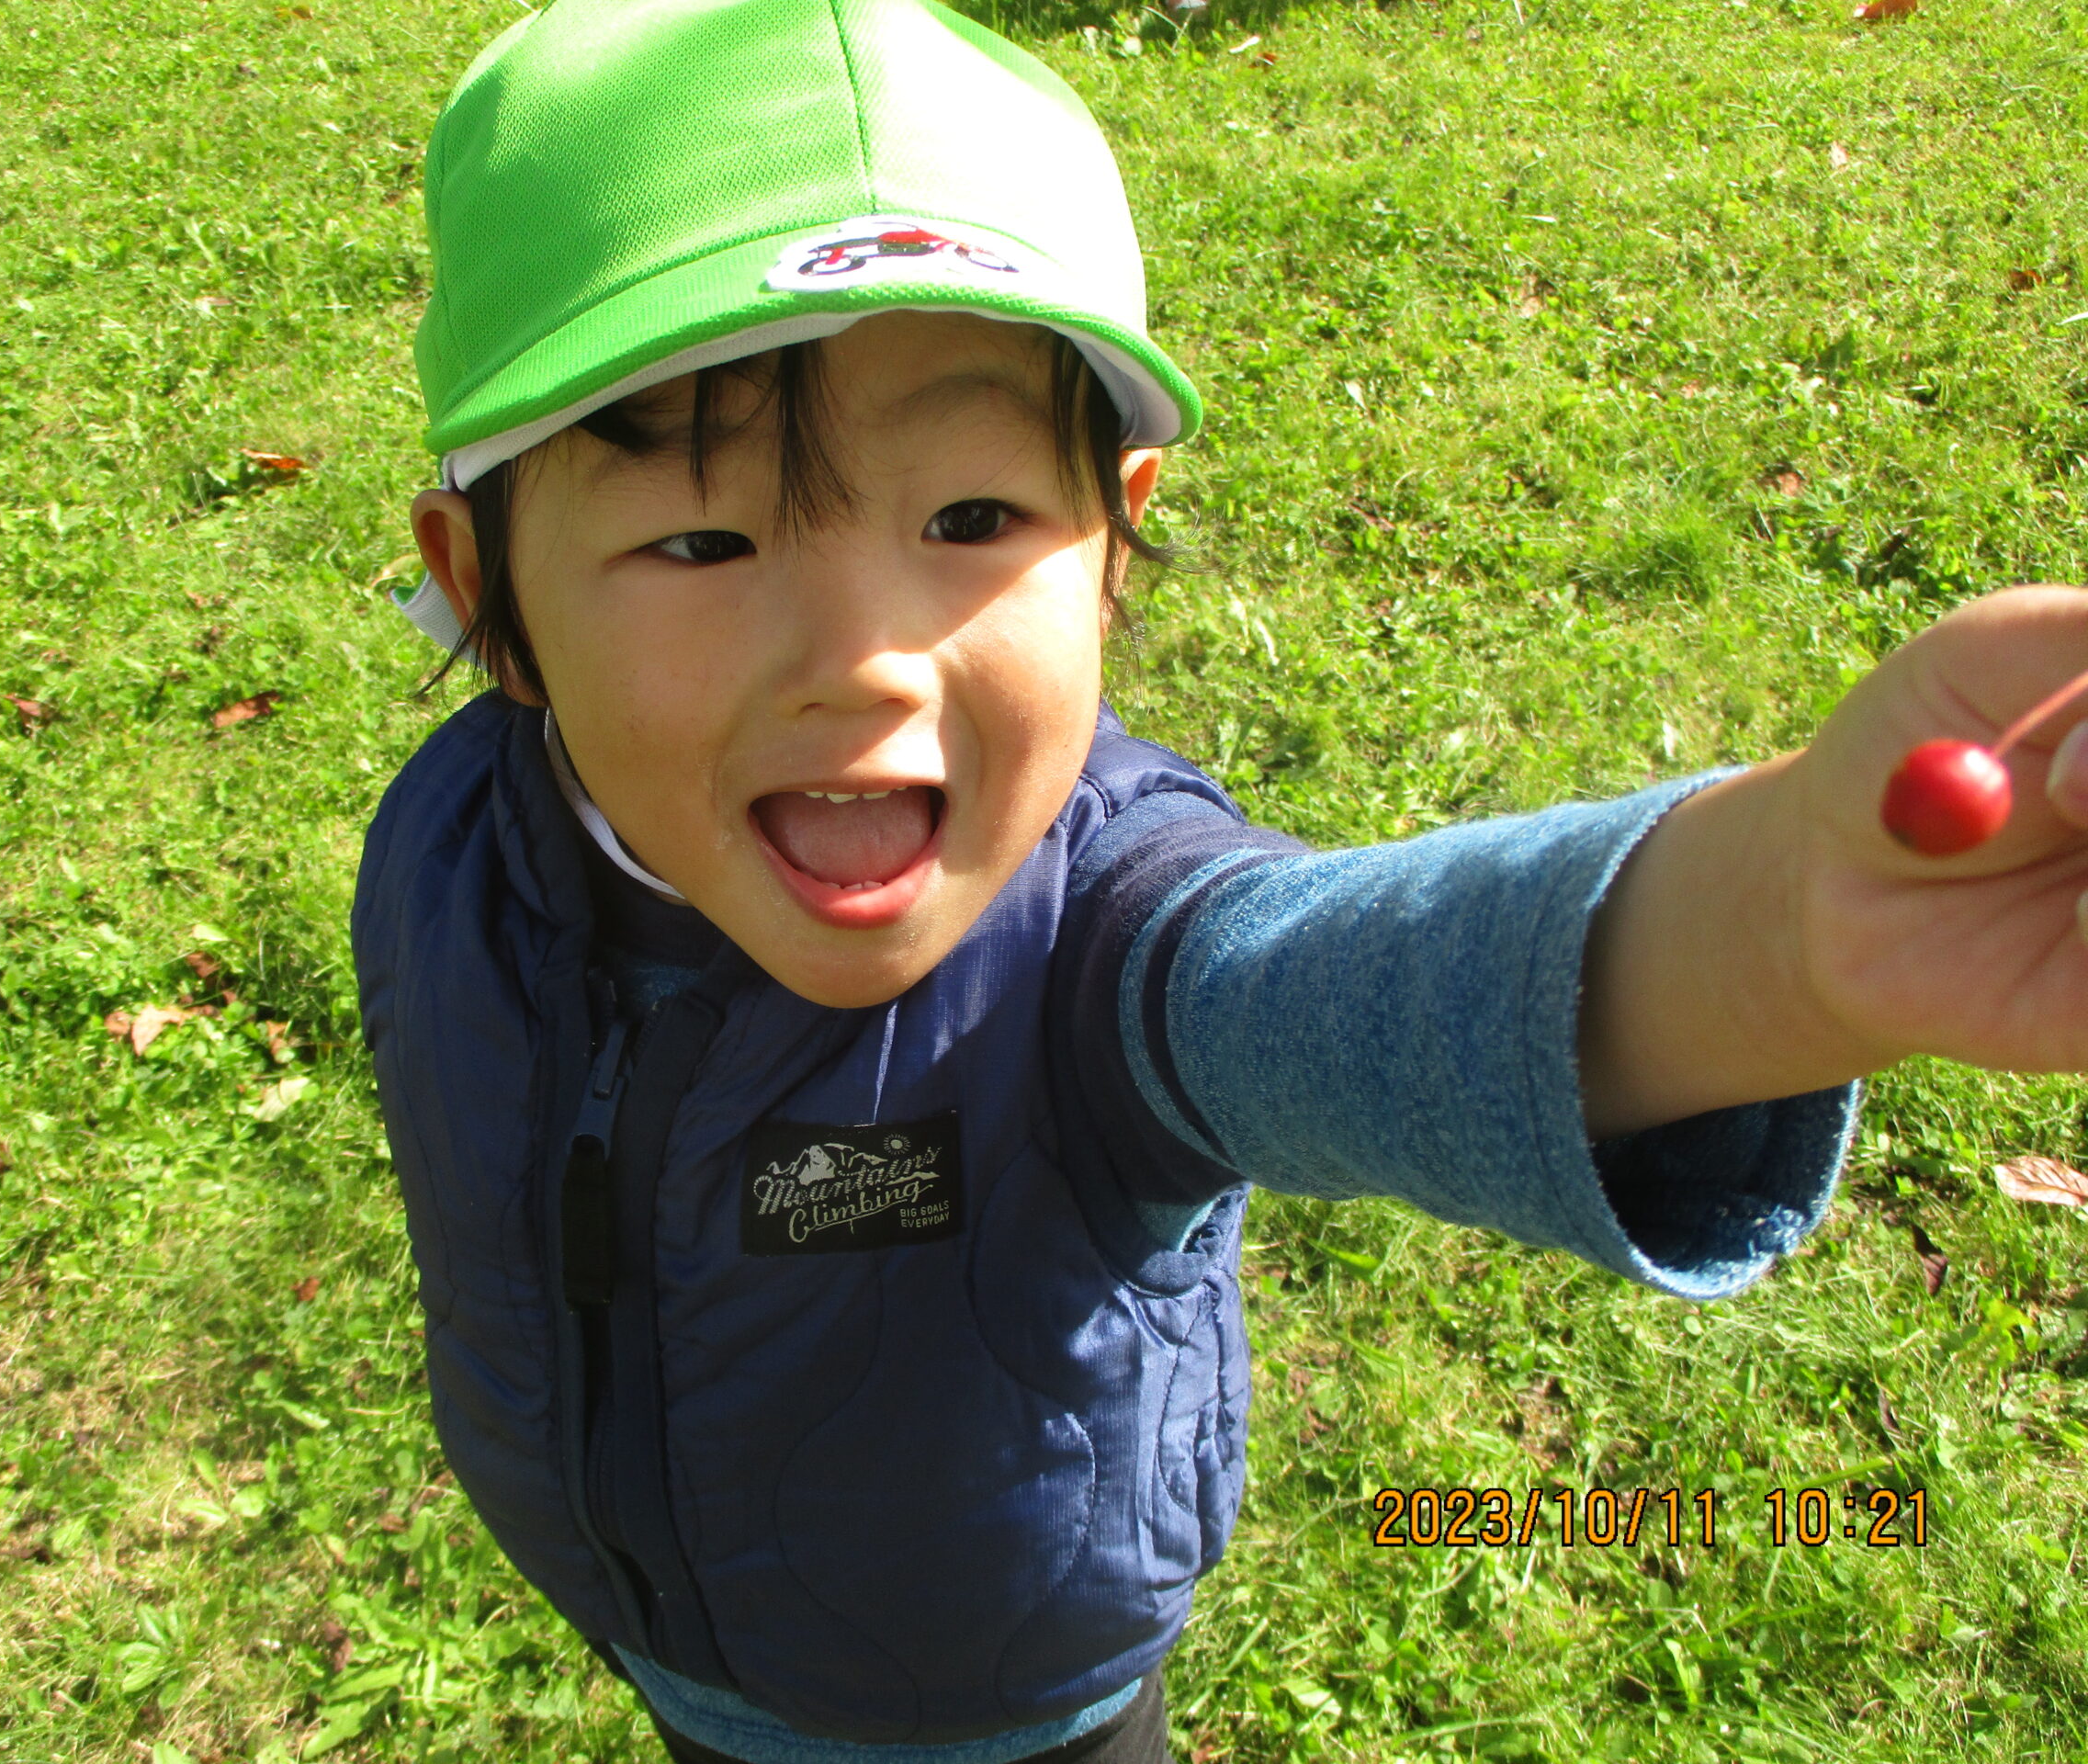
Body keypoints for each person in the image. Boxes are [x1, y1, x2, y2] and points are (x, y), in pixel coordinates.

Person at [351, 2, 2088, 1759]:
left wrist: (1783, 921)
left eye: (971, 522)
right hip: (669, 1650)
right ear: (486, 594)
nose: (862, 659)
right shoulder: (453, 846)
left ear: (1114, 543)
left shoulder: (1111, 940)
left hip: (1011, 1709)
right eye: (702, 538)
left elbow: (1349, 984)